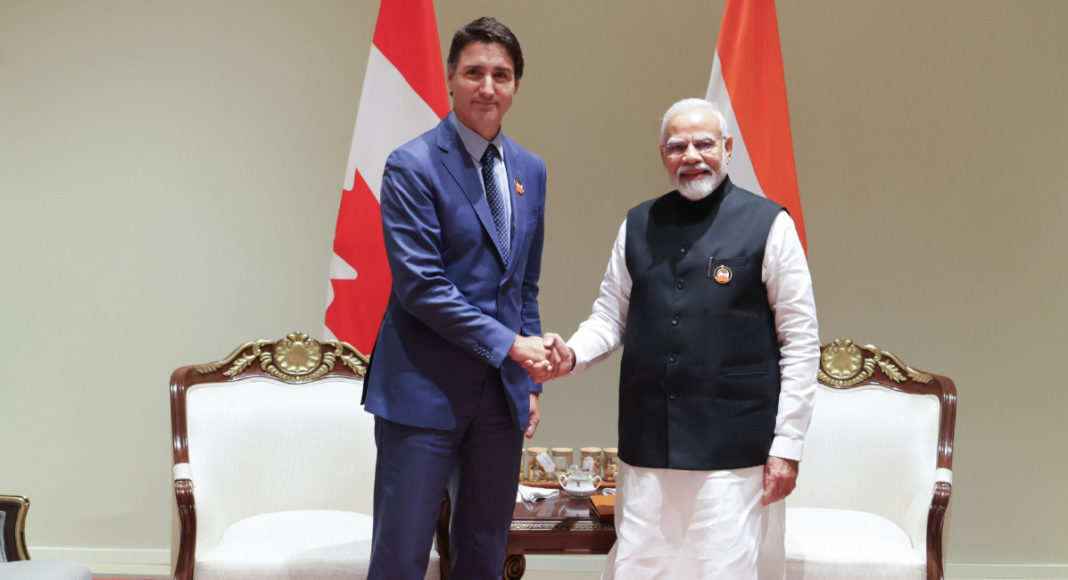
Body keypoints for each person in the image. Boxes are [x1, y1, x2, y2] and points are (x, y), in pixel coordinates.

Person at [534, 98, 819, 579]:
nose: (691, 155)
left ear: (727, 148)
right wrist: (572, 354)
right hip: (649, 445)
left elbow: (800, 339)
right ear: (663, 155)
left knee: (721, 569)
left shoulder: (770, 225)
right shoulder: (637, 224)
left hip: (734, 451)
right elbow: (610, 316)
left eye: (704, 143)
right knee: (642, 567)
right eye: (677, 146)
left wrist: (787, 445)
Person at [362, 17, 553, 579]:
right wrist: (512, 346)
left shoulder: (531, 170)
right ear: (451, 78)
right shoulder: (411, 164)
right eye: (474, 72)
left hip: (500, 396)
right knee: (402, 554)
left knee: (484, 551)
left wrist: (532, 380)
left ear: (517, 85)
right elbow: (421, 286)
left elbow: (524, 285)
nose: (487, 87)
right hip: (422, 392)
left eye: (501, 74)